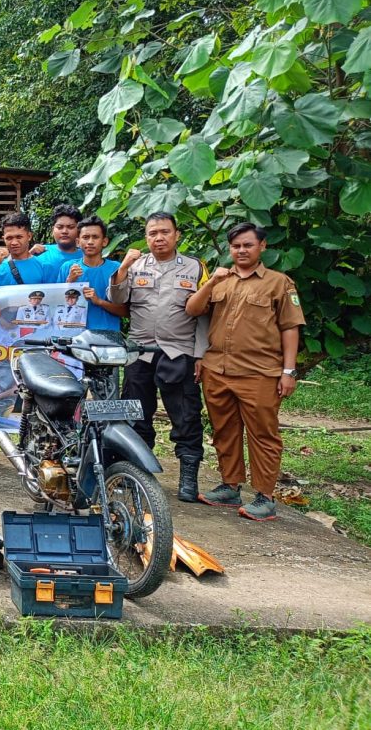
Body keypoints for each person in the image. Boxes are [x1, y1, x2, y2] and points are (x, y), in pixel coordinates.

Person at [186, 223, 305, 521]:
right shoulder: (221, 280)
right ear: (230, 248)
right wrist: (212, 282)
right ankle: (230, 486)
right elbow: (193, 309)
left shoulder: (279, 283)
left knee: (263, 435)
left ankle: (265, 496)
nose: (241, 250)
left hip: (260, 373)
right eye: (236, 246)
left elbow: (290, 328)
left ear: (262, 246)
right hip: (217, 370)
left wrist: (288, 371)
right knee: (224, 432)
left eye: (248, 245)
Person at [107, 211, 208, 503]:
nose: (159, 238)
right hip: (140, 352)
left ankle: (188, 477)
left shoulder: (194, 267)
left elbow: (203, 315)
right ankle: (137, 474)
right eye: (153, 233)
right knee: (136, 414)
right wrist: (124, 266)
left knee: (186, 416)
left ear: (177, 235)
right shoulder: (135, 266)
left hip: (179, 351)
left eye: (164, 232)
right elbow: (116, 299)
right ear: (146, 237)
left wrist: (200, 354)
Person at [59, 217, 126, 333]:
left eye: (95, 237)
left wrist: (99, 301)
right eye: (85, 237)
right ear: (78, 242)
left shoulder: (116, 269)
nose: (90, 242)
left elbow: (126, 311)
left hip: (108, 337)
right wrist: (70, 283)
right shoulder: (67, 267)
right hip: (73, 336)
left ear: (104, 241)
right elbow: (56, 306)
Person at [0, 212, 54, 287]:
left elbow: (49, 295)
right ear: (3, 239)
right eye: (9, 238)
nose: (14, 242)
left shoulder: (44, 266)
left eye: (19, 237)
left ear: (29, 236)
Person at [30, 203, 83, 275]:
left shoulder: (87, 255)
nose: (64, 231)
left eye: (70, 227)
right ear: (53, 230)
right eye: (60, 227)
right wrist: (28, 255)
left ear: (79, 230)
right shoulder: (40, 253)